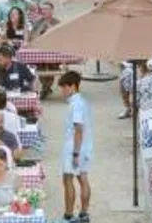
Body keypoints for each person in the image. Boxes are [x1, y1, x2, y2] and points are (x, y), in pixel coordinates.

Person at [59, 70, 92, 223]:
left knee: (68, 179)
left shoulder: (76, 104)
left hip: (74, 146)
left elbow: (78, 128)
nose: (62, 91)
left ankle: (68, 215)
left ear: (73, 86)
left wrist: (75, 153)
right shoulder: (82, 101)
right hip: (85, 145)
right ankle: (84, 214)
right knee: (82, 177)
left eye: (64, 87)